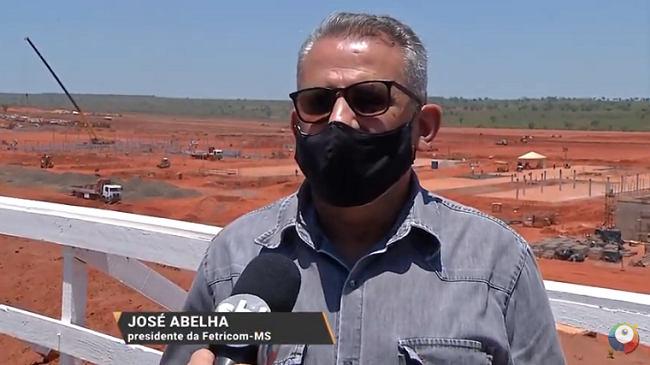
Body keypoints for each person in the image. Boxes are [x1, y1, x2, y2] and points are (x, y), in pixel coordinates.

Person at [161, 11, 566, 365]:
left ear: (424, 127)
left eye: (369, 99)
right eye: (318, 102)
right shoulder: (234, 258)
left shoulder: (498, 263)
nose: (339, 119)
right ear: (295, 124)